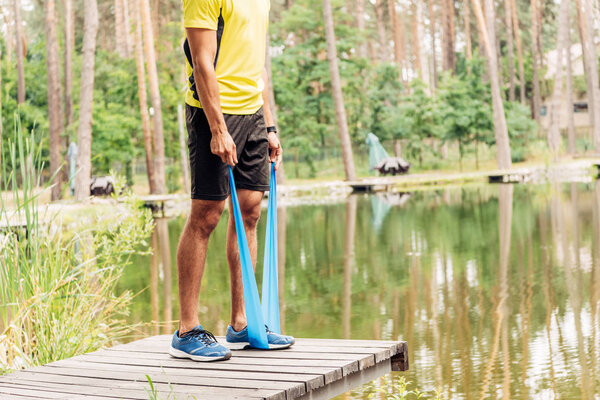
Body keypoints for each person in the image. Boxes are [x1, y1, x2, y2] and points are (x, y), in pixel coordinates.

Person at [169, 0, 295, 362]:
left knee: (251, 210)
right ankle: (187, 329)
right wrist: (218, 129)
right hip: (212, 112)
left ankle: (242, 323)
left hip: (252, 113)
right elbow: (202, 61)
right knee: (208, 213)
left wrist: (269, 124)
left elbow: (257, 65)